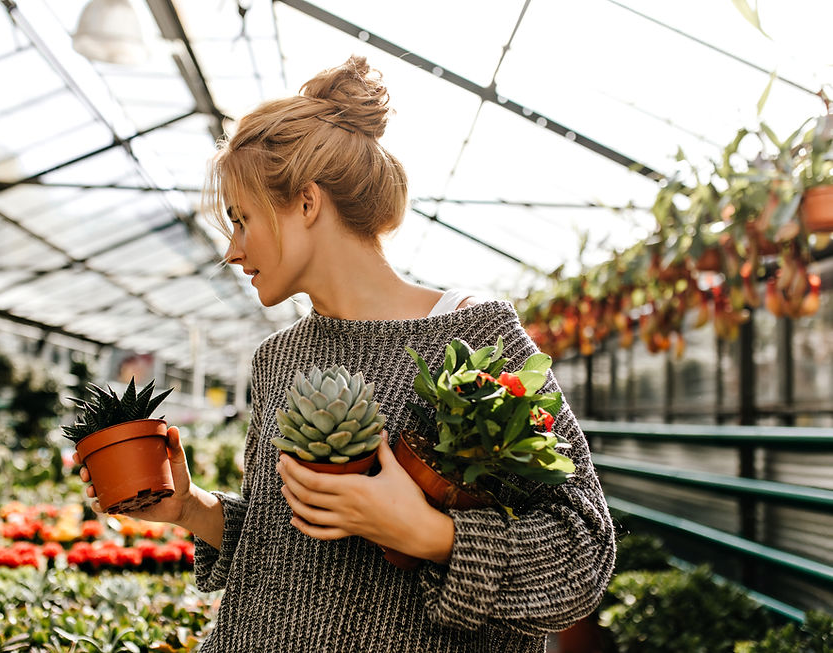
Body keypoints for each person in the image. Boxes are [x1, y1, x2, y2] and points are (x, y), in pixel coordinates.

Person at [74, 55, 615, 652]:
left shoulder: (471, 339)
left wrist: (428, 533)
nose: (232, 250)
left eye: (242, 219)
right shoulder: (278, 359)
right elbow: (285, 555)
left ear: (306, 204)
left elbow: (581, 558)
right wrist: (192, 510)